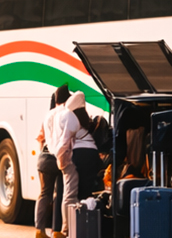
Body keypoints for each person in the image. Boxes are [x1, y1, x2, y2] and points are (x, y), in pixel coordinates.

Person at [35, 85, 71, 238]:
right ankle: (57, 230)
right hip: (57, 158)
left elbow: (40, 138)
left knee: (44, 193)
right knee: (61, 193)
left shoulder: (47, 115)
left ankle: (39, 230)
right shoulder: (65, 113)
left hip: (43, 158)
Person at [62, 91, 102, 225]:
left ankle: (75, 226)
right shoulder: (85, 119)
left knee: (75, 193)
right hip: (92, 153)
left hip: (79, 153)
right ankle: (88, 224)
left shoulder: (72, 119)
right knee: (87, 191)